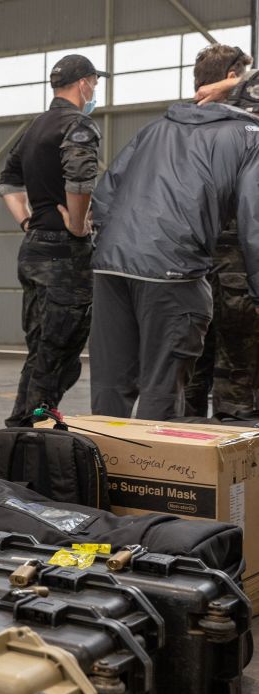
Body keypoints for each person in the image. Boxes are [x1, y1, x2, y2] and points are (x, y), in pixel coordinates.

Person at [89, 61, 259, 421]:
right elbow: (254, 219)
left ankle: (101, 471)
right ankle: (150, 476)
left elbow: (105, 194)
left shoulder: (156, 128)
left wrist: (116, 247)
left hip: (110, 267)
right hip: (173, 271)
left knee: (110, 386)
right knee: (161, 387)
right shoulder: (251, 136)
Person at [0, 54, 106, 426]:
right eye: (95, 83)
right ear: (84, 83)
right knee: (59, 352)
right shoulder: (79, 126)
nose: (95, 90)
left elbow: (8, 183)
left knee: (40, 348)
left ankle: (23, 423)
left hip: (34, 249)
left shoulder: (34, 128)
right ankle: (30, 427)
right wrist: (77, 225)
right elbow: (79, 180)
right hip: (64, 254)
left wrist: (27, 220)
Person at [182, 45, 259, 419]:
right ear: (232, 76)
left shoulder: (179, 121)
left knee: (190, 367)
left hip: (188, 257)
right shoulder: (245, 120)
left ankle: (186, 452)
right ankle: (235, 464)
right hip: (238, 259)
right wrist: (239, 83)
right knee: (239, 370)